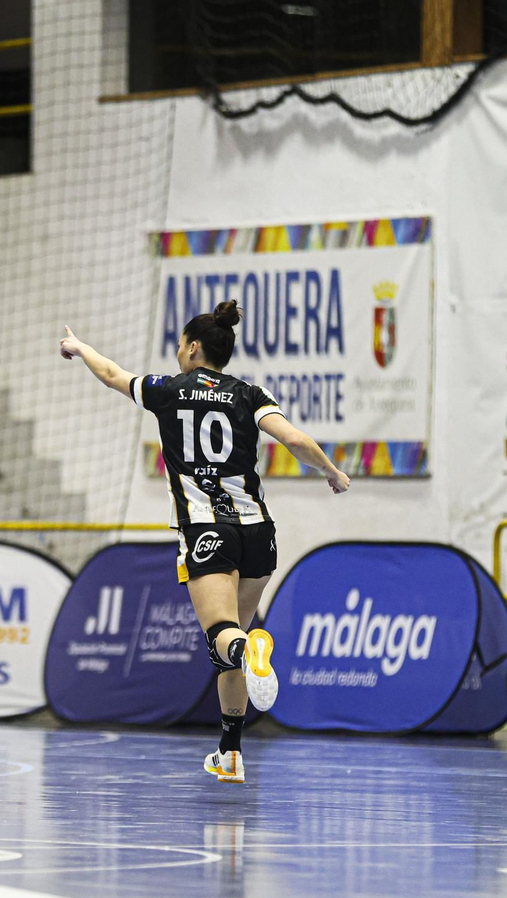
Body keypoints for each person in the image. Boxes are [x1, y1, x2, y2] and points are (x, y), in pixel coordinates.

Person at [60, 301, 350, 782]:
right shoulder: (249, 393)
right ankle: (231, 753)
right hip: (258, 531)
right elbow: (295, 439)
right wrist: (332, 471)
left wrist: (79, 346)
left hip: (206, 528)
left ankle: (250, 651)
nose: (177, 352)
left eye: (179, 344)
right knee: (228, 641)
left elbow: (111, 374)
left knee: (224, 636)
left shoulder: (168, 391)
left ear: (194, 348)